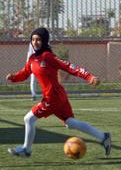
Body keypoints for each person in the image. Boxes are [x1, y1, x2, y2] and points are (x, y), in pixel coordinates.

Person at [6, 27, 111, 157]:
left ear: (44, 41)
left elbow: (69, 67)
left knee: (29, 119)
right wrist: (13, 78)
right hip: (57, 96)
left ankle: (26, 149)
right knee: (70, 123)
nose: (35, 42)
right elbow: (24, 73)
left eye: (38, 39)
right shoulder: (33, 58)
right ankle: (103, 137)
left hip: (53, 98)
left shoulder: (48, 56)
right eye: (33, 39)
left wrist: (88, 76)